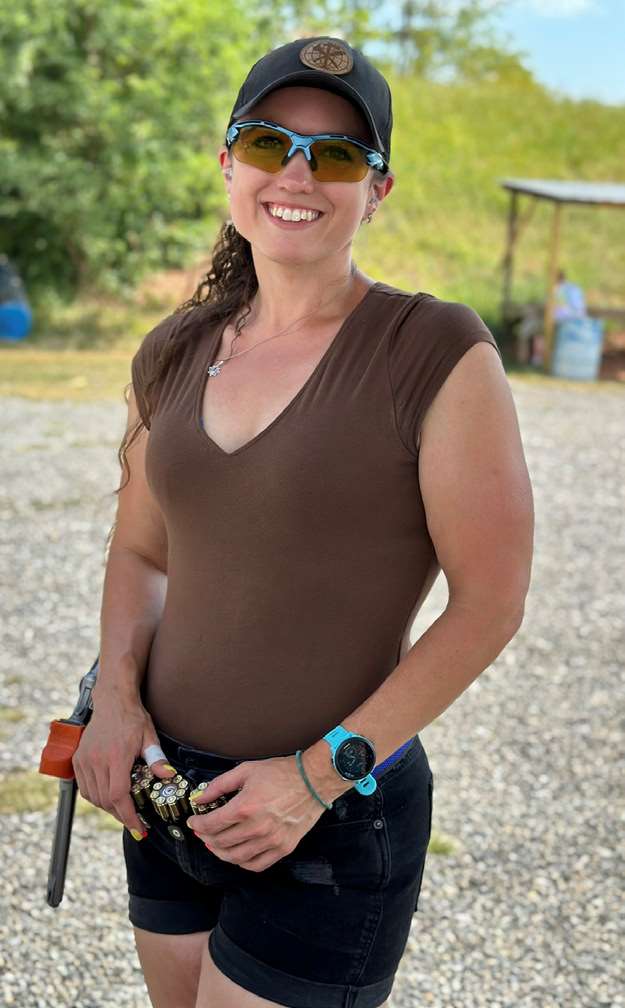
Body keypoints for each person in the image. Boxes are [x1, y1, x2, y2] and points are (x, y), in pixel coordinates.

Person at [73, 36, 534, 1008]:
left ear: (379, 187)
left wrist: (321, 777)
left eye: (333, 155)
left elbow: (489, 604)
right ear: (227, 161)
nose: (296, 173)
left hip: (329, 816)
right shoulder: (176, 348)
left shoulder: (434, 350)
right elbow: (141, 549)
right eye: (268, 143)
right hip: (166, 796)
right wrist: (115, 699)